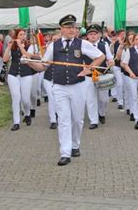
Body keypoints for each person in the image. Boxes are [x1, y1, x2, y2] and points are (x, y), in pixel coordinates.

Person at [27, 14, 105, 166]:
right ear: (61, 29)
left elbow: (100, 57)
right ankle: (65, 152)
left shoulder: (82, 43)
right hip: (59, 87)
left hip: (78, 86)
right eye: (68, 27)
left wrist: (88, 69)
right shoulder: (53, 46)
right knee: (63, 120)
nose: (72, 30)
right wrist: (29, 63)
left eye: (73, 27)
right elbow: (43, 66)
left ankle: (75, 144)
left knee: (77, 119)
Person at [3, 29, 37, 131]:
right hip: (13, 74)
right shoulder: (12, 45)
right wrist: (8, 48)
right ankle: (16, 122)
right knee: (16, 97)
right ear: (16, 36)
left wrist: (20, 45)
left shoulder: (29, 46)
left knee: (26, 100)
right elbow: (5, 59)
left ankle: (27, 114)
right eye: (20, 35)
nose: (22, 36)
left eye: (24, 34)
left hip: (26, 73)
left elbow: (26, 56)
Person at [85, 24, 114, 129]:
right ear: (87, 36)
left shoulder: (104, 45)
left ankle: (101, 113)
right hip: (88, 76)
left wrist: (110, 62)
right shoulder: (83, 45)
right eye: (90, 34)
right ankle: (94, 121)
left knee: (104, 99)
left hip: (102, 76)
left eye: (94, 34)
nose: (92, 36)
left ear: (99, 35)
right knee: (90, 99)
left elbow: (110, 58)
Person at [42, 31, 60, 129]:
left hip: (60, 78)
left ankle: (59, 115)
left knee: (59, 98)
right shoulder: (49, 48)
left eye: (58, 40)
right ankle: (53, 120)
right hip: (49, 77)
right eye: (54, 40)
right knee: (52, 98)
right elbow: (43, 62)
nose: (55, 42)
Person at [110, 29, 126, 110]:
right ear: (119, 35)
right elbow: (113, 54)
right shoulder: (116, 43)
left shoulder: (127, 43)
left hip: (125, 67)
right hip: (117, 66)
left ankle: (125, 101)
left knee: (124, 85)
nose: (123, 35)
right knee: (119, 83)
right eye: (122, 34)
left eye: (124, 34)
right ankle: (120, 102)